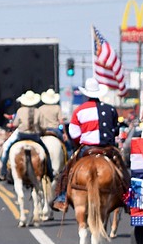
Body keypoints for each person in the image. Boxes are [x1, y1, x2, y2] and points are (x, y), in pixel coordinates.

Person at [51, 78, 121, 212]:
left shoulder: (79, 110)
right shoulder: (111, 110)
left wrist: (79, 143)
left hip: (87, 148)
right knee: (122, 170)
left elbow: (74, 133)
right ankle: (127, 198)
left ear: (86, 94)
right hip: (107, 149)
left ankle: (61, 198)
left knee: (68, 170)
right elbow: (115, 130)